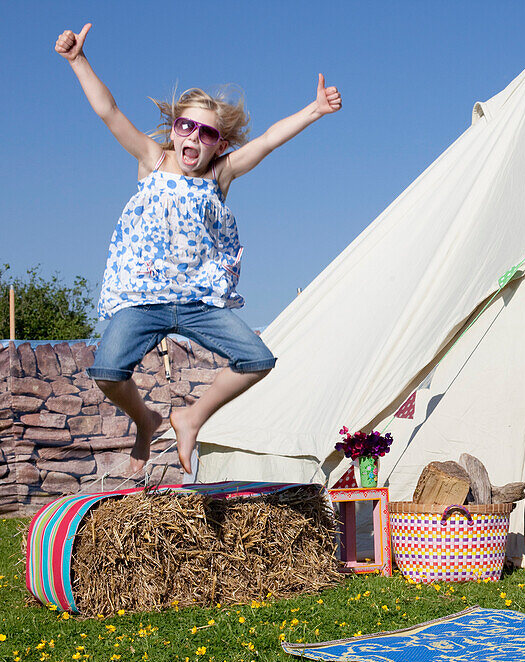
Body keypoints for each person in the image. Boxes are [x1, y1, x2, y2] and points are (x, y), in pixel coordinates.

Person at [56, 23, 342, 476]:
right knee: (108, 371)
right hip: (144, 297)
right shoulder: (151, 160)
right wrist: (78, 62)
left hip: (198, 301)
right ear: (173, 132)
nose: (193, 137)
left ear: (219, 145)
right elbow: (108, 111)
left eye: (206, 133)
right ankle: (145, 419)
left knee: (256, 358)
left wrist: (314, 110)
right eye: (185, 126)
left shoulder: (219, 176)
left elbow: (267, 140)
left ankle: (191, 417)